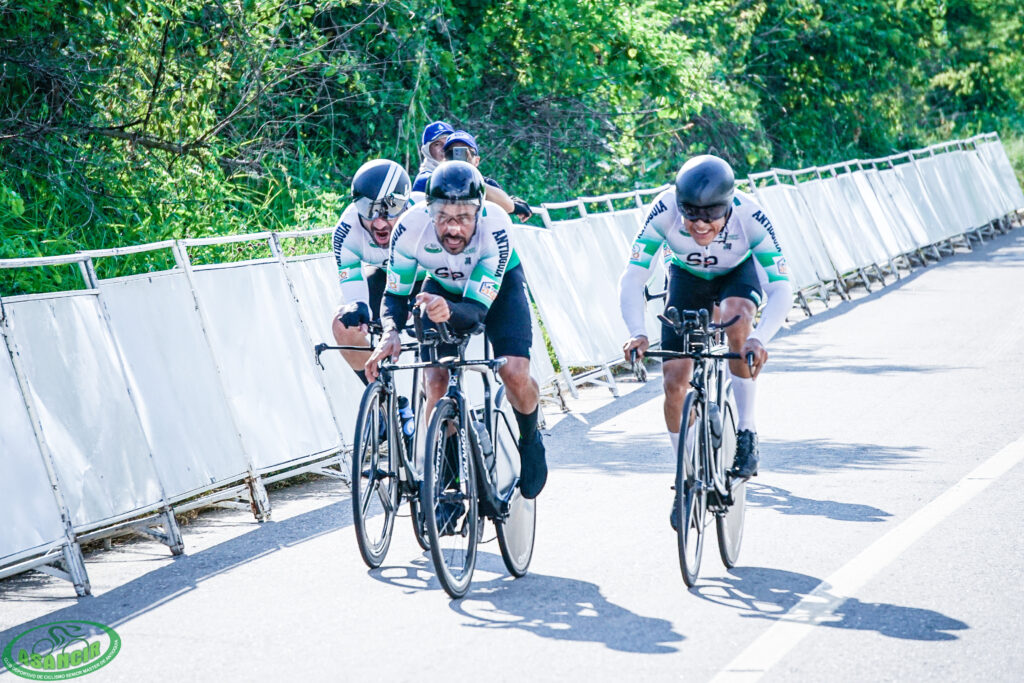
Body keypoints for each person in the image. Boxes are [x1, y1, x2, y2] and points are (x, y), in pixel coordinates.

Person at [618, 154, 791, 524]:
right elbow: (633, 276)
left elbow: (781, 287)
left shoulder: (751, 215)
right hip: (686, 277)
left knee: (737, 320)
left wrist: (760, 339)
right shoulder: (663, 209)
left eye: (711, 215)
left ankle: (746, 430)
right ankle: (685, 476)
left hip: (736, 275)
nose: (699, 224)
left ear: (728, 206)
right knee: (674, 383)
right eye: (691, 214)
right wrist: (637, 332)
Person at [365, 160, 548, 505]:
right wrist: (390, 332)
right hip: (440, 287)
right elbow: (395, 294)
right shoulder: (410, 227)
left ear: (479, 211)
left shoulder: (496, 226)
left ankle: (530, 438)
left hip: (498, 290)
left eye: (463, 217)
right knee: (436, 382)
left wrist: (448, 311)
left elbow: (477, 312)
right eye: (443, 217)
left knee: (513, 371)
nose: (453, 228)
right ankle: (447, 484)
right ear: (428, 211)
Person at [442, 130, 533, 222]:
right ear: (444, 159)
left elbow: (508, 207)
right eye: (452, 153)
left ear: (476, 161)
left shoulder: (486, 183)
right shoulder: (436, 180)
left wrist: (470, 176)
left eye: (466, 153)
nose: (459, 157)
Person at [412, 121, 454, 193]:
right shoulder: (425, 180)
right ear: (427, 150)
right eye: (437, 144)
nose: (444, 148)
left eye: (448, 143)